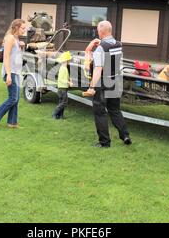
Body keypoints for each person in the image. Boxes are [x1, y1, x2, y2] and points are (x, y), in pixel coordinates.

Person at [83, 20, 132, 148]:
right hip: (115, 80)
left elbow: (98, 69)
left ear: (101, 31)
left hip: (103, 83)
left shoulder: (100, 48)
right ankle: (125, 135)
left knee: (100, 112)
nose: (97, 32)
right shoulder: (119, 44)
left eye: (98, 31)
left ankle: (104, 142)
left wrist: (92, 87)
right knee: (115, 110)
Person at [0, 19, 26, 128]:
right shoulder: (10, 38)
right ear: (16, 27)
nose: (24, 30)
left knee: (16, 98)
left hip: (16, 72)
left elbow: (15, 54)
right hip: (11, 72)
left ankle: (12, 122)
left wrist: (21, 45)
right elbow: (6, 57)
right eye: (23, 28)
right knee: (13, 98)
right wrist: (8, 75)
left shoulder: (16, 39)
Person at [52, 51, 73, 120]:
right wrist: (68, 82)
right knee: (64, 102)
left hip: (62, 88)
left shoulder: (64, 67)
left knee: (61, 102)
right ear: (66, 60)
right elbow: (60, 79)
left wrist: (69, 79)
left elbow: (64, 77)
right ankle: (55, 114)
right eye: (69, 60)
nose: (69, 61)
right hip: (62, 88)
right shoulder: (63, 68)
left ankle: (60, 116)